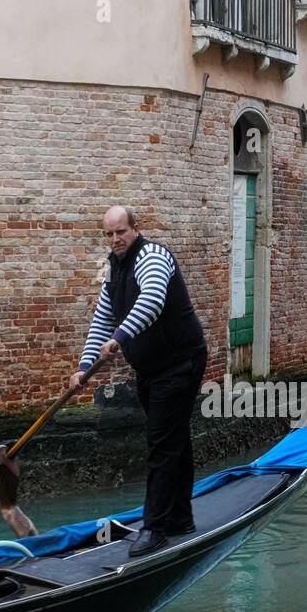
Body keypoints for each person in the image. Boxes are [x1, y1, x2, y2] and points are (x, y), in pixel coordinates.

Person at [70, 206, 208, 557]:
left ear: (136, 228)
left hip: (181, 363)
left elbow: (151, 301)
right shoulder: (113, 271)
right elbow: (102, 319)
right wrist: (84, 369)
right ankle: (180, 517)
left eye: (121, 232)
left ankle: (154, 528)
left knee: (162, 444)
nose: (115, 240)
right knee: (174, 438)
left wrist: (120, 337)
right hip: (151, 369)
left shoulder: (153, 256)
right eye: (109, 235)